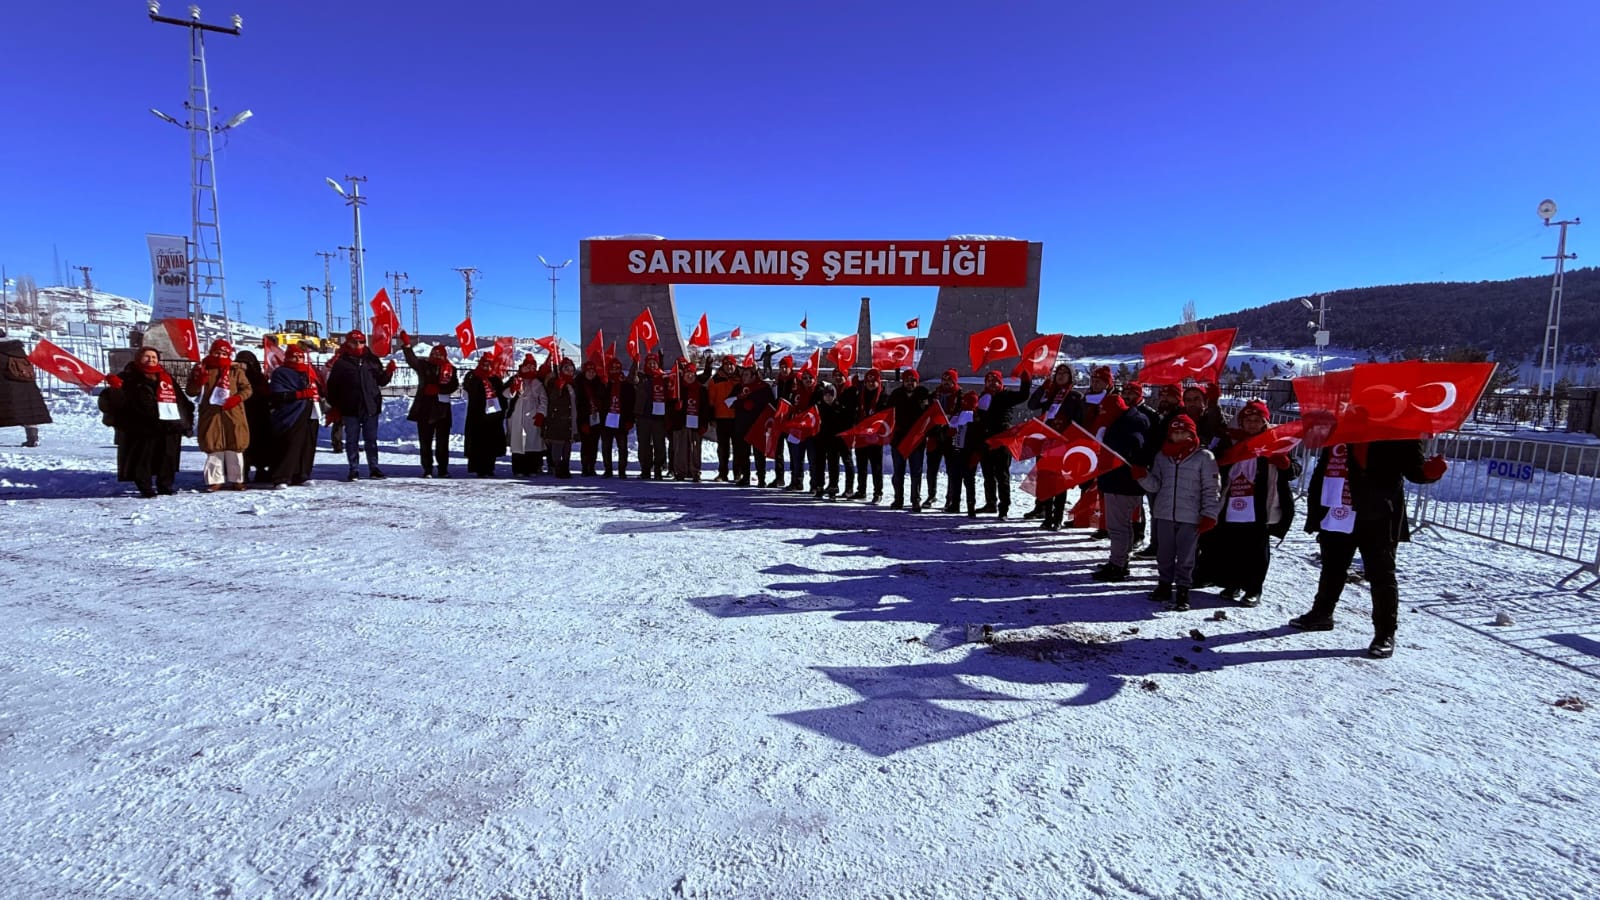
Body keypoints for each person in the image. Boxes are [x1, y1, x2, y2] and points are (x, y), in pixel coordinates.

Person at [1291, 439, 1448, 658]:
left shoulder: (1400, 432)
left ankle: (1385, 633)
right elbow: (1325, 467)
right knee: (1332, 566)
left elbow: (1414, 471)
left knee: (1381, 575)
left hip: (1378, 515)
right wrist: (1316, 509)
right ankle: (1322, 613)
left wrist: (1431, 472)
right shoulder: (1342, 425)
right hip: (1339, 507)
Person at [1212, 401, 1298, 606]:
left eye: (1256, 420)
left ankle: (1253, 588)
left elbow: (1294, 470)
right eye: (1248, 420)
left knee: (1257, 548)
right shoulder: (1231, 440)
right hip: (1233, 499)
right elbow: (1216, 462)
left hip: (1261, 502)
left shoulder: (1276, 439)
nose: (1252, 424)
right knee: (1232, 544)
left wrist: (1283, 463)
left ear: (1264, 421)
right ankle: (1233, 583)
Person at [1133, 414, 1221, 611]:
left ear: (1192, 433)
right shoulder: (1162, 456)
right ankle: (1164, 585)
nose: (1180, 436)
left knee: (1186, 555)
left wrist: (1209, 514)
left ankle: (1183, 589)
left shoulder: (1204, 457)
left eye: (1184, 432)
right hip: (1164, 513)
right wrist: (1142, 476)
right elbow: (1155, 485)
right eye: (1176, 432)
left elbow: (1211, 488)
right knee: (1164, 553)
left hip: (1191, 516)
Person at [116, 347, 192, 497]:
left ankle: (165, 485)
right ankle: (145, 486)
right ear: (139, 358)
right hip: (143, 426)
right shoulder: (129, 377)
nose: (151, 360)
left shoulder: (165, 377)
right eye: (147, 357)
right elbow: (119, 401)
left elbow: (180, 399)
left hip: (169, 424)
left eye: (154, 357)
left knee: (167, 457)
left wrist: (186, 419)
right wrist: (114, 387)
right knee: (144, 457)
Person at [1089, 393, 1149, 581]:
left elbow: (1132, 447)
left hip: (1122, 482)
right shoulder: (1126, 420)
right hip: (1119, 481)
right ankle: (1120, 560)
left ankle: (1118, 565)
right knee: (1123, 526)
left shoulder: (1128, 425)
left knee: (1118, 527)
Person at [325, 329, 396, 481]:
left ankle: (374, 468)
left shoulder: (372, 360)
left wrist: (389, 372)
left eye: (361, 341)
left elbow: (381, 381)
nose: (358, 344)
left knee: (371, 439)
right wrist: (335, 406)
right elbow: (332, 387)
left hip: (370, 406)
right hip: (350, 407)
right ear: (348, 343)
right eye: (354, 342)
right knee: (352, 440)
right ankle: (354, 469)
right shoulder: (342, 363)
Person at [185, 338, 253, 492]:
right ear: (211, 352)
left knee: (235, 447)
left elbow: (247, 389)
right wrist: (198, 381)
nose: (221, 355)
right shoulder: (202, 368)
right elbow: (191, 391)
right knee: (213, 447)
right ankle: (215, 480)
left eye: (224, 352)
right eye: (217, 352)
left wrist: (237, 398)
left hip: (233, 412)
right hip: (211, 413)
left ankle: (238, 479)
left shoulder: (236, 370)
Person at [1024, 363, 1084, 521]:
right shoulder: (1050, 394)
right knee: (1044, 479)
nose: (1061, 375)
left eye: (1065, 373)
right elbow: (1032, 405)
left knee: (1058, 482)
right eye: (1058, 372)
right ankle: (1045, 514)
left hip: (1063, 443)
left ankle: (1057, 517)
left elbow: (1078, 421)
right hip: (1046, 442)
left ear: (1071, 377)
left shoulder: (1075, 396)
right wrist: (1043, 388)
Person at [973, 369, 1033, 519]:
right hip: (986, 441)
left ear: (1001, 383)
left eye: (996, 381)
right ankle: (990, 503)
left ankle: (1004, 508)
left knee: (1002, 475)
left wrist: (1026, 381)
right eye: (990, 381)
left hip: (1002, 441)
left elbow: (1023, 395)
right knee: (988, 475)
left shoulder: (1006, 395)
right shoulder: (983, 397)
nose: (993, 384)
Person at [399, 334, 460, 478]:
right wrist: (407, 346)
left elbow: (453, 386)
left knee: (442, 442)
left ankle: (443, 469)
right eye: (434, 353)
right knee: (425, 441)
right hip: (425, 409)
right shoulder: (424, 365)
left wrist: (440, 389)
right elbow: (412, 361)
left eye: (439, 354)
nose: (436, 356)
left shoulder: (451, 369)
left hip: (443, 411)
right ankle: (427, 468)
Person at [268, 344, 322, 488]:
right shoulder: (281, 372)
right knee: (290, 444)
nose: (297, 359)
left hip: (310, 411)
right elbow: (277, 394)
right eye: (294, 356)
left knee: (307, 444)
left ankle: (302, 474)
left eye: (300, 356)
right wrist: (299, 394)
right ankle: (282, 477)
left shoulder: (308, 372)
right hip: (291, 413)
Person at [887, 367, 933, 510]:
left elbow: (931, 414)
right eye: (907, 380)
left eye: (913, 380)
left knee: (916, 472)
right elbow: (887, 414)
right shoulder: (896, 394)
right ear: (903, 382)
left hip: (916, 441)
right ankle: (898, 499)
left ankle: (915, 500)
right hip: (899, 439)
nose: (910, 383)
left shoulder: (924, 394)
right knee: (898, 472)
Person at [0, 333, 50, 448]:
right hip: (26, 387)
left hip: (6, 388)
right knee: (29, 414)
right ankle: (33, 438)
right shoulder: (17, 349)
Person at [462, 355, 508, 477]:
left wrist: (501, 410)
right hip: (477, 415)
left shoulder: (495, 379)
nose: (486, 366)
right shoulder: (473, 376)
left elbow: (502, 395)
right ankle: (479, 468)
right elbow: (468, 390)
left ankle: (490, 467)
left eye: (488, 364)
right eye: (484, 363)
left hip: (492, 416)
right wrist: (472, 379)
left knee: (490, 443)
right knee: (478, 443)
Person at [848, 368, 888, 502]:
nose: (870, 383)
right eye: (868, 381)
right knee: (861, 465)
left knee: (876, 466)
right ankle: (861, 490)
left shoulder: (883, 397)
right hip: (861, 435)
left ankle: (878, 492)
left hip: (875, 437)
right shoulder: (860, 395)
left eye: (873, 381)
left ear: (878, 382)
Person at [236, 350, 275, 484]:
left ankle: (261, 470)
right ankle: (243, 472)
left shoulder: (260, 378)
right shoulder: (234, 376)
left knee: (261, 446)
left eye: (246, 363)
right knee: (242, 446)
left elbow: (267, 393)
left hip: (259, 416)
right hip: (242, 414)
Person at [507, 356, 548, 476]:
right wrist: (513, 389)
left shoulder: (538, 383)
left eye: (532, 367)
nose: (530, 369)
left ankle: (533, 468)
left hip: (532, 416)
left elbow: (544, 400)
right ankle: (518, 469)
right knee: (518, 443)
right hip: (517, 415)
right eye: (527, 367)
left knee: (533, 443)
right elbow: (506, 394)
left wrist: (541, 413)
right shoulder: (515, 379)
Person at [633, 354, 671, 480]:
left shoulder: (662, 378)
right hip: (643, 416)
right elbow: (631, 380)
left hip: (658, 417)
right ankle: (645, 469)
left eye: (654, 363)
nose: (652, 365)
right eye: (649, 363)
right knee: (644, 444)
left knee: (659, 444)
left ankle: (659, 468)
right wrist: (635, 363)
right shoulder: (640, 377)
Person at [669, 362, 710, 481]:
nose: (689, 376)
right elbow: (669, 406)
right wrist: (676, 408)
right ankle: (680, 471)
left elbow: (705, 408)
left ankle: (695, 471)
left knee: (695, 448)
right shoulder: (678, 388)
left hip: (696, 423)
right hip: (680, 423)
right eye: (687, 374)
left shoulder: (701, 389)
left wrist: (704, 424)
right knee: (680, 449)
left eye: (692, 374)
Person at [782, 366, 819, 493]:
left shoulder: (818, 391)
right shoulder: (797, 392)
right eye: (804, 378)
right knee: (797, 458)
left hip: (812, 430)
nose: (807, 380)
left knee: (813, 459)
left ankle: (814, 485)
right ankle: (796, 482)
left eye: (810, 378)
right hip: (798, 429)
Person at [598, 358, 635, 477]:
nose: (615, 371)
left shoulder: (626, 385)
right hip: (607, 418)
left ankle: (622, 469)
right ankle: (608, 469)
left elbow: (631, 403)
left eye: (617, 368)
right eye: (613, 368)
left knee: (622, 446)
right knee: (606, 446)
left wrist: (630, 420)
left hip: (621, 419)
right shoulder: (604, 383)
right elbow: (600, 401)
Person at [544, 359, 580, 479]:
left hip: (571, 418)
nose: (569, 372)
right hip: (558, 419)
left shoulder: (573, 384)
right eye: (566, 369)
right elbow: (553, 398)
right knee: (557, 444)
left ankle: (566, 466)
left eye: (571, 369)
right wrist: (558, 388)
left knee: (567, 444)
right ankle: (557, 466)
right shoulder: (554, 382)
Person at [707, 355, 740, 480]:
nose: (729, 367)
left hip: (737, 418)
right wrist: (712, 418)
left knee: (738, 447)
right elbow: (710, 400)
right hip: (721, 417)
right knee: (722, 448)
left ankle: (737, 473)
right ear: (723, 366)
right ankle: (723, 473)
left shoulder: (740, 378)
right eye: (727, 365)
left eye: (731, 364)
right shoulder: (715, 380)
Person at [576, 360, 606, 476]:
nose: (591, 373)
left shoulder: (599, 383)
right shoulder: (579, 384)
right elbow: (578, 404)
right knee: (585, 444)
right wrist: (583, 421)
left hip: (596, 417)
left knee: (594, 444)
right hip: (584, 418)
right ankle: (584, 466)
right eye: (589, 371)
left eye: (593, 371)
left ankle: (591, 466)